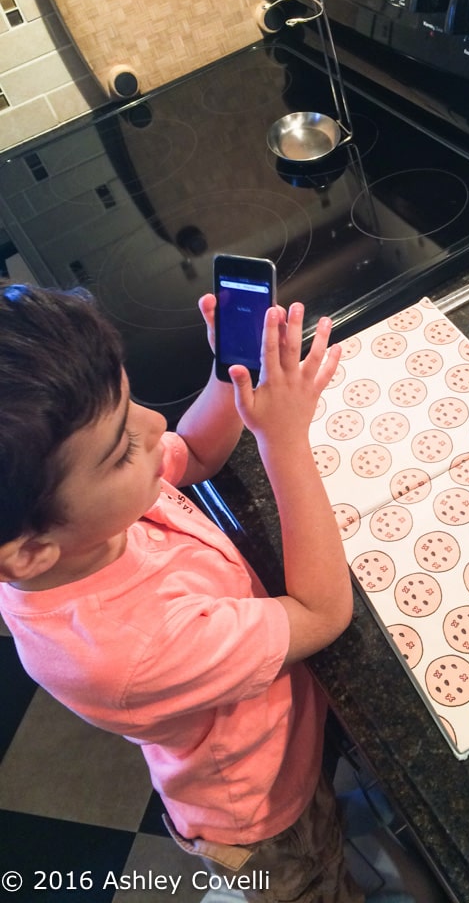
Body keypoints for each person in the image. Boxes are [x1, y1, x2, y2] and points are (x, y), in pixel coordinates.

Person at [0, 279, 369, 902]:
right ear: (32, 550)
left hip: (282, 733)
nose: (153, 425)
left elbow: (194, 450)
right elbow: (322, 612)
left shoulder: (69, 530)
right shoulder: (132, 647)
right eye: (121, 451)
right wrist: (283, 440)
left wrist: (232, 375)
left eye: (131, 403)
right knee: (315, 881)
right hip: (263, 808)